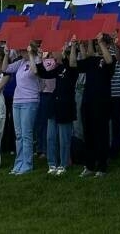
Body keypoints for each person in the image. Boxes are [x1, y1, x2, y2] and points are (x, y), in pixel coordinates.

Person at [75, 34, 115, 177]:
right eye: (98, 44)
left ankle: (102, 166)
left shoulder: (111, 59)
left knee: (102, 134)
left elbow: (109, 60)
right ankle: (89, 165)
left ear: (108, 45)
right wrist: (79, 45)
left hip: (102, 102)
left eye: (103, 44)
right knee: (89, 134)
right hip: (88, 101)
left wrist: (101, 42)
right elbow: (78, 63)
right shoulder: (92, 60)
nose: (99, 46)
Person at [4, 42, 45, 174]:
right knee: (19, 134)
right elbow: (5, 68)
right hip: (17, 101)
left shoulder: (37, 60)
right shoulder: (20, 63)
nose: (20, 52)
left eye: (22, 50)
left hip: (30, 100)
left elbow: (35, 71)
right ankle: (19, 162)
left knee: (27, 134)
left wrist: (31, 55)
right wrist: (6, 55)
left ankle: (27, 164)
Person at [37, 43, 76, 174]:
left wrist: (65, 55)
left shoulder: (69, 67)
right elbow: (43, 73)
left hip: (66, 105)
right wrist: (39, 58)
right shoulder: (57, 68)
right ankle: (52, 163)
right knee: (50, 137)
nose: (52, 54)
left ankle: (64, 163)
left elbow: (71, 68)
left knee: (64, 138)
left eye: (54, 51)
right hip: (54, 105)